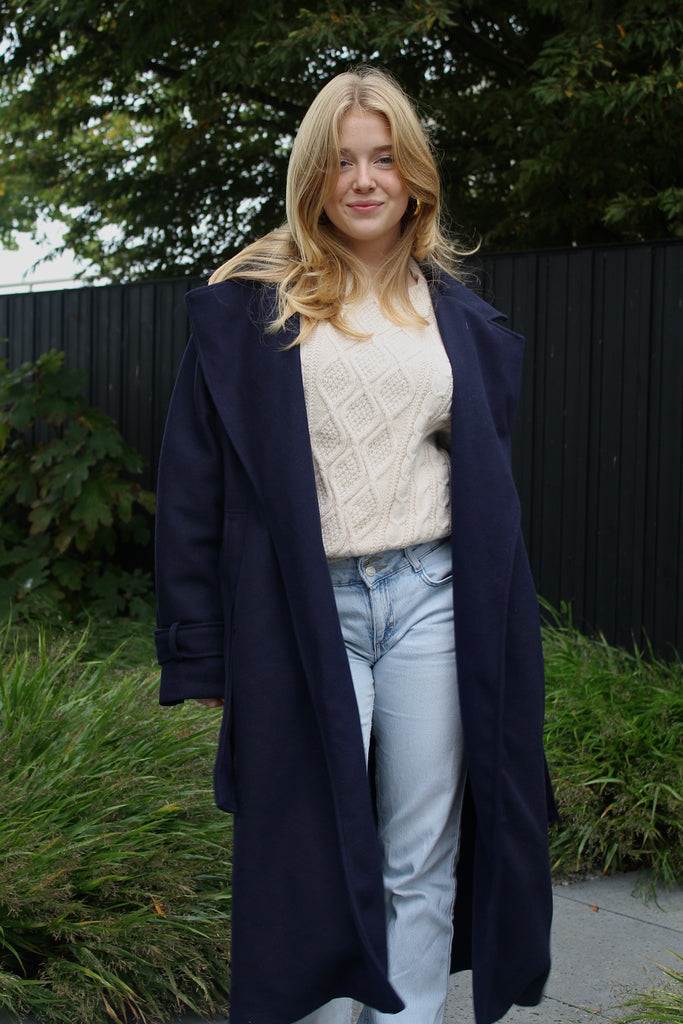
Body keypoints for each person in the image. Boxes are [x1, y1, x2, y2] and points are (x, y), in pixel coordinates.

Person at [154, 66, 556, 1024]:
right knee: (309, 858)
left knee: (420, 853)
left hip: (431, 598)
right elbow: (193, 487)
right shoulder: (250, 306)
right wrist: (200, 647)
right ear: (314, 176)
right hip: (301, 611)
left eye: (383, 158)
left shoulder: (456, 317)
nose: (364, 180)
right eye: (342, 162)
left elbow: (477, 477)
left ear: (413, 175)